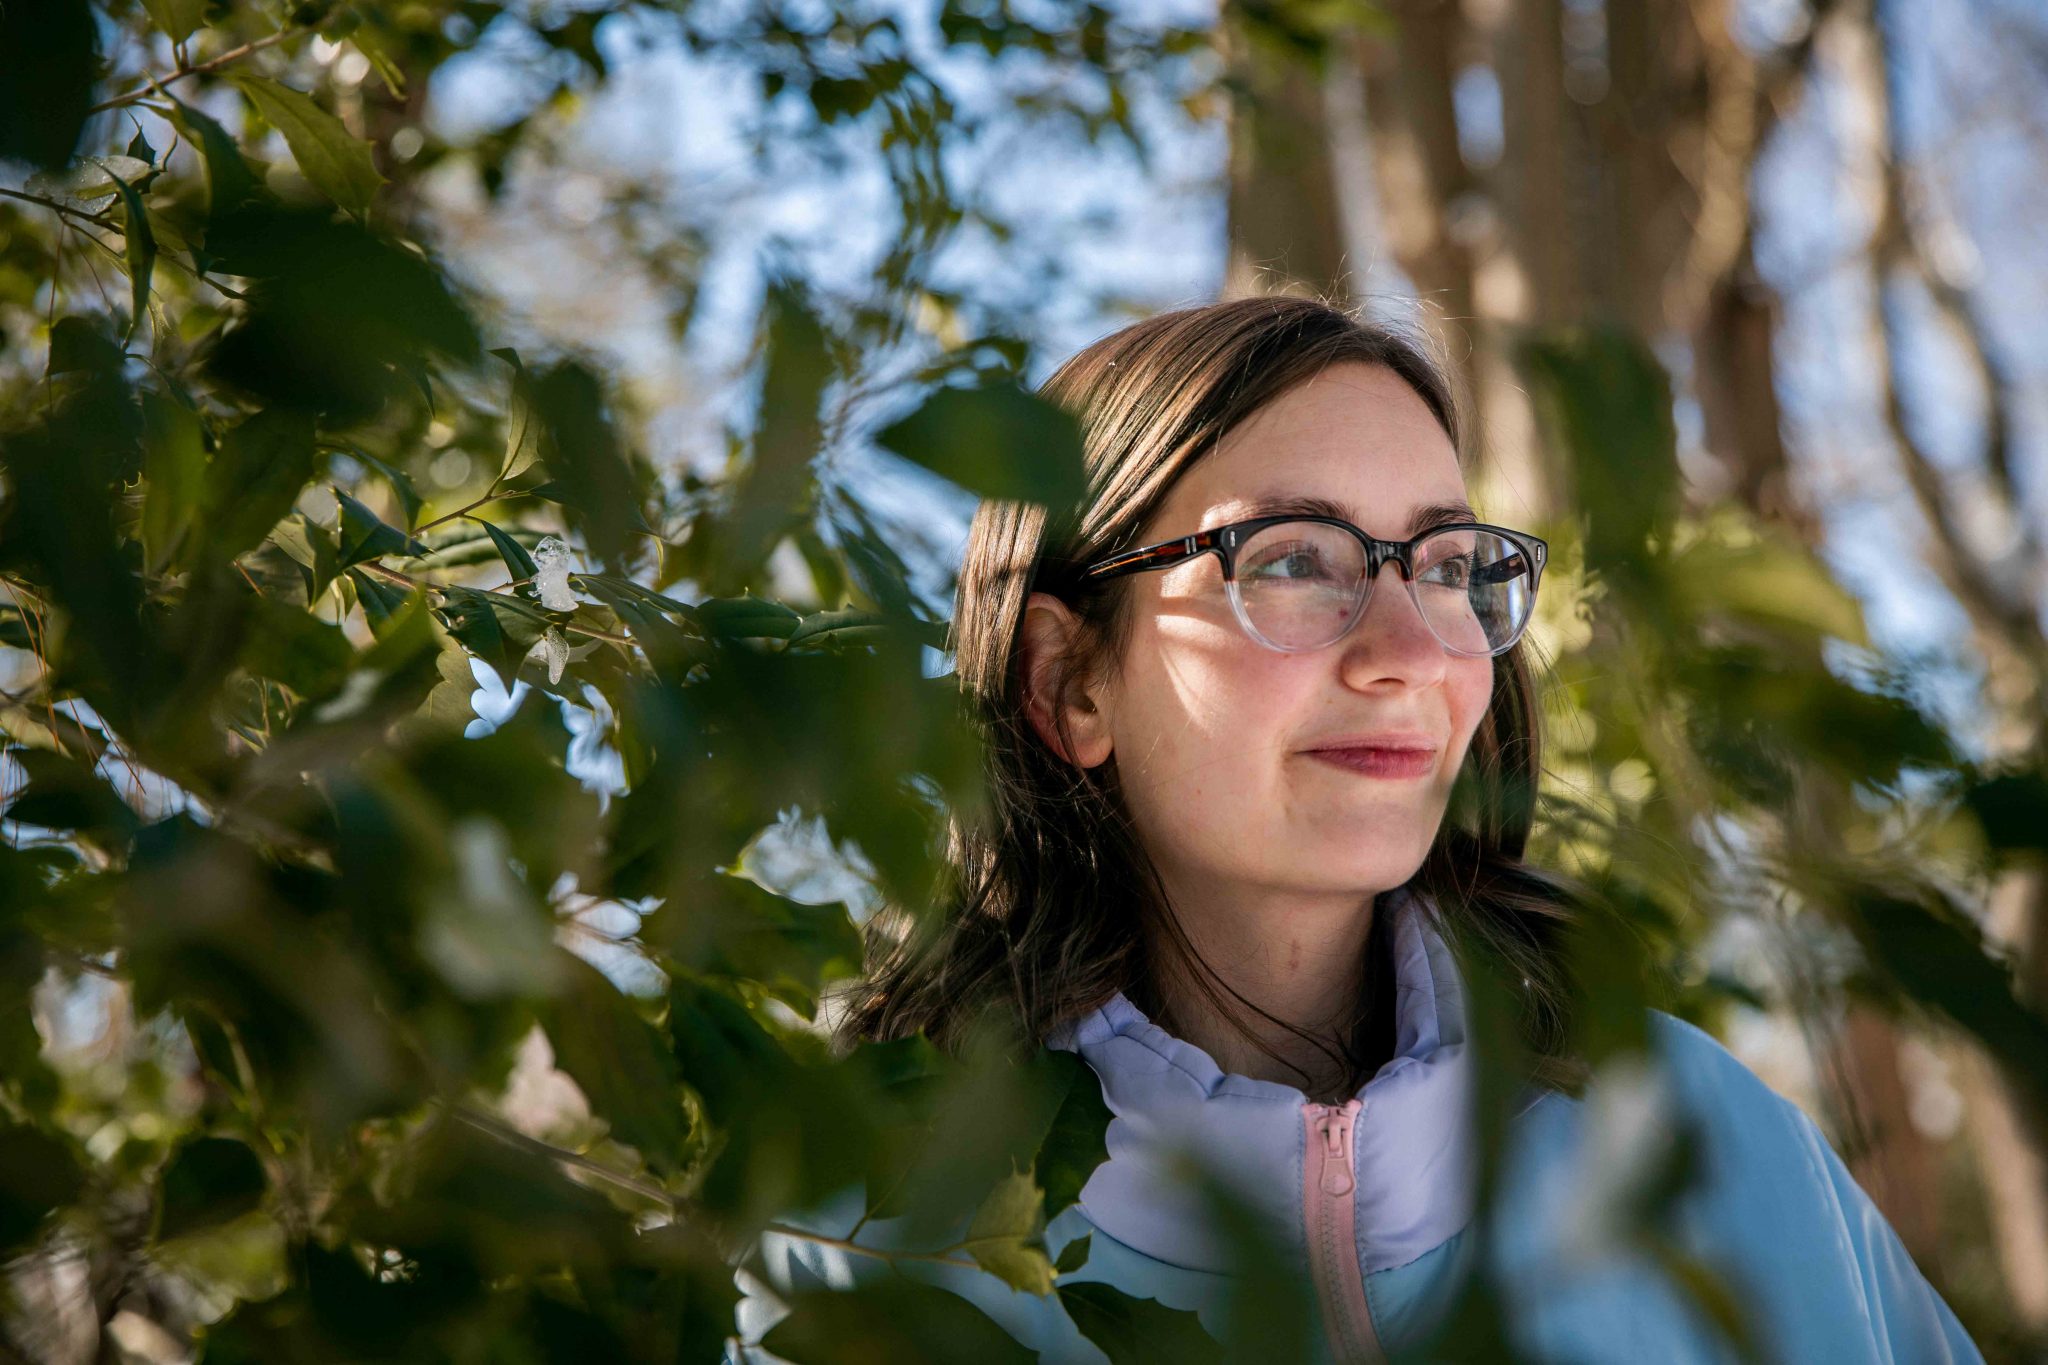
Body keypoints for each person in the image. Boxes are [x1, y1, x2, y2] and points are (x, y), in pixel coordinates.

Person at [724, 296, 1984, 1363]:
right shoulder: (851, 1223)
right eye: (1289, 560)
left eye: (1444, 564)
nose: (1406, 653)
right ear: (1069, 683)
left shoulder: (1701, 1136)